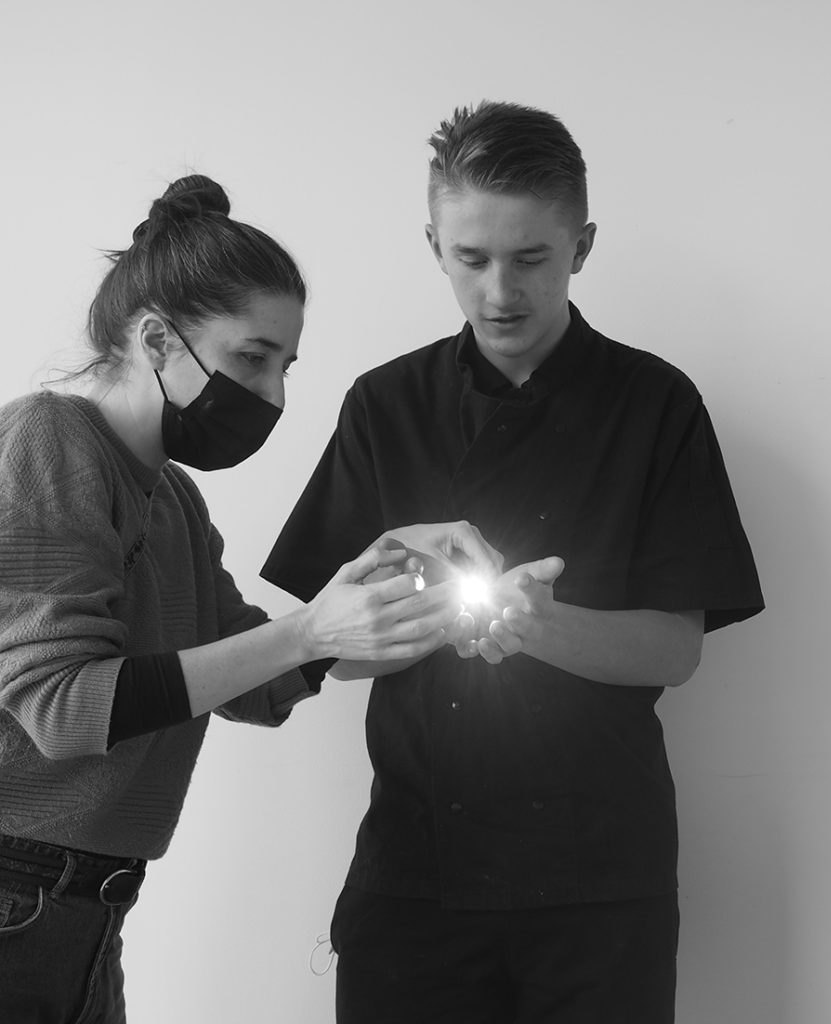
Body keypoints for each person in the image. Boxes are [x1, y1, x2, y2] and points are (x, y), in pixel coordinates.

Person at [262, 102, 765, 1024]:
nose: (500, 292)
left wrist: (537, 625)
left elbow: (676, 649)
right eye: (472, 258)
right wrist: (424, 613)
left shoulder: (657, 405)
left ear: (582, 246)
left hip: (599, 878)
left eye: (531, 258)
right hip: (415, 866)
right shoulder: (385, 404)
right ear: (434, 246)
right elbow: (326, 650)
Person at [0, 174, 499, 1024]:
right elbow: (63, 706)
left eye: (285, 366)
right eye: (251, 359)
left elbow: (256, 683)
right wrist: (311, 630)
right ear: (157, 340)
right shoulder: (48, 442)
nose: (272, 396)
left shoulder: (174, 501)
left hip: (85, 911)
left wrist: (391, 589)